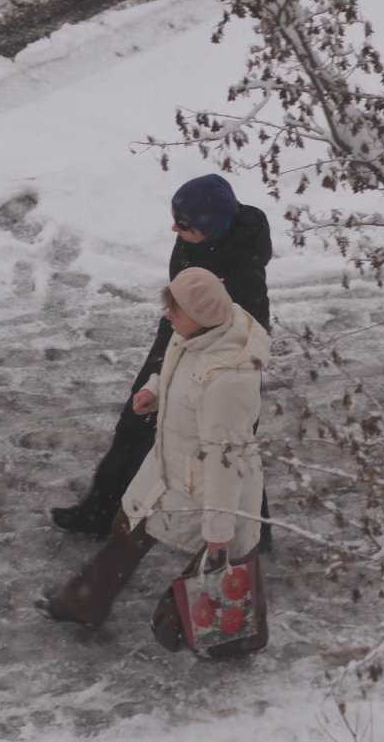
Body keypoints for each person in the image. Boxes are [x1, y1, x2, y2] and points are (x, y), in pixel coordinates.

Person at [38, 267, 270, 631]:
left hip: (207, 489)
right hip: (168, 469)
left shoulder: (229, 381)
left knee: (229, 564)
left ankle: (231, 639)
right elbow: (183, 375)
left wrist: (219, 532)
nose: (167, 317)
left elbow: (227, 460)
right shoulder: (197, 334)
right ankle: (81, 604)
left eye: (174, 311)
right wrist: (155, 390)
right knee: (126, 528)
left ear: (198, 317)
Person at [49, 174, 274, 547]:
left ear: (211, 227)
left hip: (209, 357)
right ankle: (101, 511)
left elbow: (247, 339)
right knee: (138, 422)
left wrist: (196, 374)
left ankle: (250, 533)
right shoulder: (198, 237)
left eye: (183, 224)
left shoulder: (242, 276)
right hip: (176, 335)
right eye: (174, 217)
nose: (174, 228)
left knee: (228, 443)